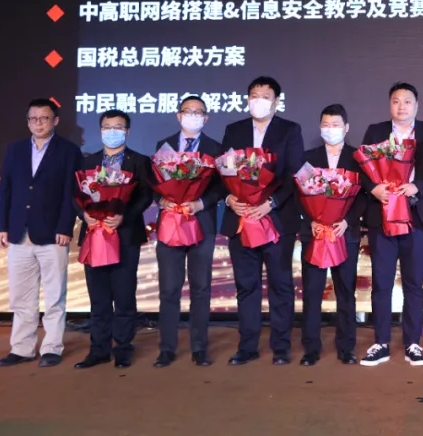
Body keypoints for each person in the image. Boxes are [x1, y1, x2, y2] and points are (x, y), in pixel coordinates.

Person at [359, 83, 423, 367]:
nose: (401, 106)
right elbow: (361, 167)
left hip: (415, 216)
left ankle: (413, 343)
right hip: (382, 215)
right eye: (396, 101)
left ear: (416, 105)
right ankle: (380, 342)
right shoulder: (375, 132)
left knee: (413, 283)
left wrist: (417, 186)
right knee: (381, 283)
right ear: (390, 105)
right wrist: (374, 189)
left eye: (407, 101)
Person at [220, 76, 304, 366]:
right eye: (254, 96)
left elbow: (294, 174)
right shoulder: (234, 130)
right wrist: (230, 199)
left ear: (276, 101)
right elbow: (222, 172)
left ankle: (281, 347)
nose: (259, 101)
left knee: (280, 285)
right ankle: (247, 346)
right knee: (246, 286)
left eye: (265, 96)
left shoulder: (290, 130)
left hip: (276, 219)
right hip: (241, 218)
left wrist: (270, 204)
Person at [0, 99, 82, 368]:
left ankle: (52, 347)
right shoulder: (16, 149)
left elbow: (72, 193)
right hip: (19, 232)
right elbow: (6, 190)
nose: (38, 123)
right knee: (21, 297)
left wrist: (65, 227)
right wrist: (1, 226)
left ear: (56, 121)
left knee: (54, 296)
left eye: (44, 118)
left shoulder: (69, 151)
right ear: (28, 121)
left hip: (53, 234)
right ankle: (22, 348)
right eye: (33, 118)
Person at [74, 109, 154, 370]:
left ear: (127, 131)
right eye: (107, 127)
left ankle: (123, 348)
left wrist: (123, 217)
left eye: (118, 127)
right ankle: (98, 349)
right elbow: (74, 195)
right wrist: (85, 215)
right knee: (98, 297)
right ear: (100, 130)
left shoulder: (139, 161)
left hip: (125, 235)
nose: (112, 131)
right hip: (94, 234)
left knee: (124, 295)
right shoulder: (87, 161)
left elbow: (145, 196)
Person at [152, 96, 224, 368]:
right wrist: (162, 201)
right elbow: (154, 183)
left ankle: (199, 347)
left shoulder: (215, 148)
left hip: (201, 223)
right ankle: (167, 348)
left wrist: (201, 203)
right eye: (188, 111)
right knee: (169, 289)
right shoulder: (164, 146)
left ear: (206, 118)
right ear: (178, 115)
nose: (193, 115)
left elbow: (222, 187)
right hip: (171, 224)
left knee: (201, 288)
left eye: (198, 112)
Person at [298, 104, 367, 366]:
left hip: (344, 234)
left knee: (345, 291)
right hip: (315, 233)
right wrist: (311, 220)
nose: (330, 129)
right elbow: (298, 194)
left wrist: (348, 221)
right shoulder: (308, 158)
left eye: (335, 125)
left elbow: (364, 195)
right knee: (312, 291)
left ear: (346, 128)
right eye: (325, 125)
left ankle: (346, 347)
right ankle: (311, 348)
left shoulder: (357, 157)